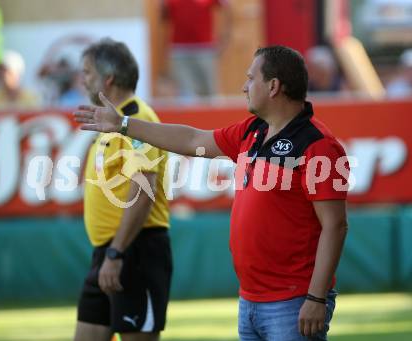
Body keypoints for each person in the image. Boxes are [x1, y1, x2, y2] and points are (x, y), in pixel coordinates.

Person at [75, 45, 349, 341]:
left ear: (273, 86)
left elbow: (335, 225)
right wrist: (124, 125)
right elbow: (193, 139)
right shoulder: (252, 131)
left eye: (250, 78)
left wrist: (317, 297)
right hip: (251, 299)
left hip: (293, 300)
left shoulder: (318, 144)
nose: (244, 87)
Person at [74, 38, 172, 341]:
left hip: (133, 251)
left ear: (108, 79)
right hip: (107, 253)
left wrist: (117, 253)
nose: (82, 79)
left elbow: (143, 192)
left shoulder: (138, 120)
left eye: (87, 72)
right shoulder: (111, 123)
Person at [160, 0, 232, 100]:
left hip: (204, 49)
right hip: (179, 50)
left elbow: (226, 8)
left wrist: (225, 38)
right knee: (185, 94)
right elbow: (164, 17)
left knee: (209, 92)